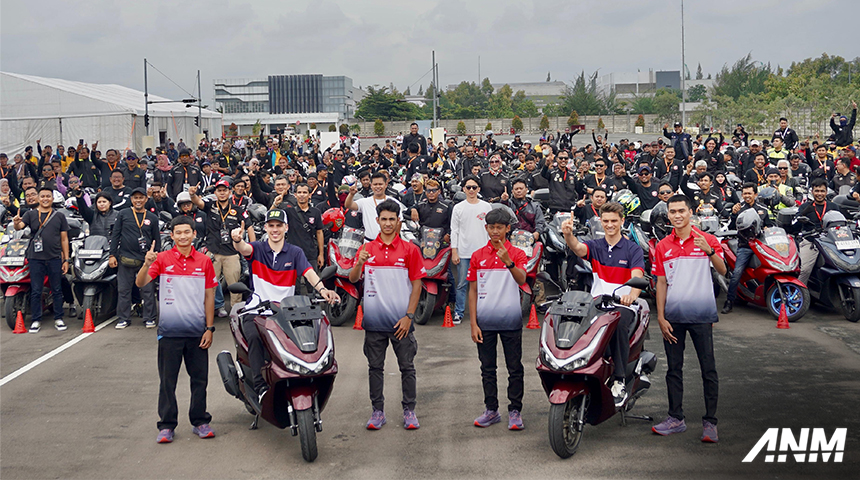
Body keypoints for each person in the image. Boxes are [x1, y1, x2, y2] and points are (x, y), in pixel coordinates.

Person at [231, 209, 338, 398]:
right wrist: (238, 240)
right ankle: (259, 384)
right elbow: (243, 249)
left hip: (286, 310)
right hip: (257, 309)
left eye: (278, 225)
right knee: (255, 338)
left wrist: (323, 290)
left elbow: (309, 273)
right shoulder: (257, 248)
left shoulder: (295, 252)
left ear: (285, 228)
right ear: (265, 227)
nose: (275, 229)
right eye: (271, 225)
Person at [135, 216, 217, 444]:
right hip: (169, 333)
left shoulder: (204, 261)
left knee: (199, 380)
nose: (182, 236)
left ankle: (200, 421)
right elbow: (141, 283)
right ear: (171, 236)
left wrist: (209, 328)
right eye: (178, 232)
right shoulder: (161, 259)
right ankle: (167, 425)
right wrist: (145, 263)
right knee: (167, 381)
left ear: (194, 234)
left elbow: (209, 296)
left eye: (186, 232)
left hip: (197, 332)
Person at [652, 195, 726, 443]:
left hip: (702, 316)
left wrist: (710, 251)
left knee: (709, 369)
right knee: (674, 370)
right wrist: (661, 317)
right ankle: (676, 418)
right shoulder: (662, 246)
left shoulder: (707, 240)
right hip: (673, 318)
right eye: (672, 211)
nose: (677, 215)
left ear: (690, 213)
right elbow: (661, 283)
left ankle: (710, 422)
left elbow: (724, 270)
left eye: (681, 211)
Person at [348, 200, 425, 430]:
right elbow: (352, 279)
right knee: (375, 368)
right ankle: (377, 411)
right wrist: (359, 264)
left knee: (407, 367)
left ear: (398, 221)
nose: (388, 223)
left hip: (402, 322)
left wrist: (409, 316)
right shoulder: (367, 249)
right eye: (384, 219)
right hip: (374, 323)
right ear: (377, 221)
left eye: (392, 219)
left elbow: (417, 285)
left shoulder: (410, 249)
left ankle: (409, 411)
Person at [562, 201, 646, 406]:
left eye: (614, 221)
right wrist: (567, 235)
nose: (610, 225)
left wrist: (632, 295)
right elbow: (579, 249)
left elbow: (638, 276)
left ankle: (619, 380)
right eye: (606, 221)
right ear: (600, 221)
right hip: (597, 304)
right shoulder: (596, 245)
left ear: (621, 221)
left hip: (623, 305)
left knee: (617, 322)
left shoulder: (632, 249)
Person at [467, 207, 528, 430]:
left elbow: (522, 280)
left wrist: (508, 262)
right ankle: (491, 410)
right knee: (487, 368)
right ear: (486, 229)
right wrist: (473, 323)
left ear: (507, 229)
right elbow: (472, 291)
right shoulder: (477, 256)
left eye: (499, 227)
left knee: (515, 368)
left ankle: (515, 410)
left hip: (511, 321)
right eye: (491, 227)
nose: (495, 231)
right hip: (485, 323)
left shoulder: (518, 253)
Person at [190, 180, 254, 315]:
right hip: (213, 253)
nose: (222, 193)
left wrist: (254, 247)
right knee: (209, 285)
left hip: (232, 254)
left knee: (235, 287)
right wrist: (192, 195)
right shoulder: (210, 206)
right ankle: (208, 313)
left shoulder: (238, 210)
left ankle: (237, 314)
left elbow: (249, 227)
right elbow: (198, 202)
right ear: (215, 193)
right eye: (219, 190)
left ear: (230, 192)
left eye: (225, 190)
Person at [13, 186, 70, 333]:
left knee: (56, 289)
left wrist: (66, 260)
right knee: (36, 290)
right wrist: (15, 222)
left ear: (52, 198)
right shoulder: (30, 214)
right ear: (38, 198)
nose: (45, 199)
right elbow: (19, 227)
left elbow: (64, 239)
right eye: (43, 196)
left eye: (48, 196)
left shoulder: (59, 216)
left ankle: (58, 318)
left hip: (54, 257)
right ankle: (36, 320)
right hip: (35, 258)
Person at [109, 188, 161, 329]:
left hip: (146, 260)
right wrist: (112, 255)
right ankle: (123, 318)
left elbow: (157, 238)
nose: (138, 200)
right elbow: (115, 235)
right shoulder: (123, 214)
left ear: (145, 199)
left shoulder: (152, 217)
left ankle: (149, 317)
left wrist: (156, 256)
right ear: (131, 200)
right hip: (125, 258)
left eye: (141, 198)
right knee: (124, 290)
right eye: (135, 198)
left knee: (148, 290)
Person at [721, 183, 773, 314]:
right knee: (737, 273)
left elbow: (771, 225)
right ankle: (730, 301)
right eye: (745, 194)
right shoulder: (738, 208)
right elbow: (732, 228)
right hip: (745, 246)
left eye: (750, 193)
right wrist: (733, 214)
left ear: (755, 194)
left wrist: (768, 228)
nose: (747, 196)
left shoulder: (763, 208)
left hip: (762, 245)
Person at [450, 176, 492, 325]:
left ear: (479, 189)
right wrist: (454, 251)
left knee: (483, 284)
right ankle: (459, 313)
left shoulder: (486, 207)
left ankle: (483, 312)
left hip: (483, 253)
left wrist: (491, 250)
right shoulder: (458, 208)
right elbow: (454, 230)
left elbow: (490, 231)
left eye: (474, 187)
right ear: (464, 189)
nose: (472, 190)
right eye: (468, 187)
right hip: (464, 252)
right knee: (462, 284)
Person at [797, 179, 841, 286]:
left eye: (822, 191)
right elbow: (796, 223)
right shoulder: (805, 207)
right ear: (812, 192)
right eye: (817, 191)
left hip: (832, 243)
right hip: (811, 242)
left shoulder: (834, 207)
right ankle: (798, 293)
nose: (819, 194)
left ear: (826, 192)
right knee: (804, 270)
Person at [343, 172, 405, 241]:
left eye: (380, 184)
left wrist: (394, 241)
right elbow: (348, 205)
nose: (378, 187)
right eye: (375, 184)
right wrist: (351, 194)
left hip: (388, 243)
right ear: (371, 185)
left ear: (386, 185)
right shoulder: (364, 202)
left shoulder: (394, 202)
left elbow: (398, 223)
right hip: (369, 242)